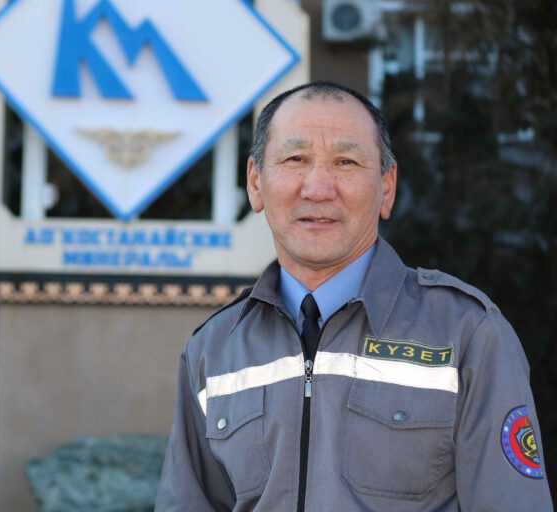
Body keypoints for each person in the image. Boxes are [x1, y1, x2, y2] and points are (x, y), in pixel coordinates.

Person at [155, 81, 552, 511]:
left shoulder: (469, 335)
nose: (318, 188)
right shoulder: (213, 350)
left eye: (346, 162)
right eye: (295, 159)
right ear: (255, 182)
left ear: (387, 186)